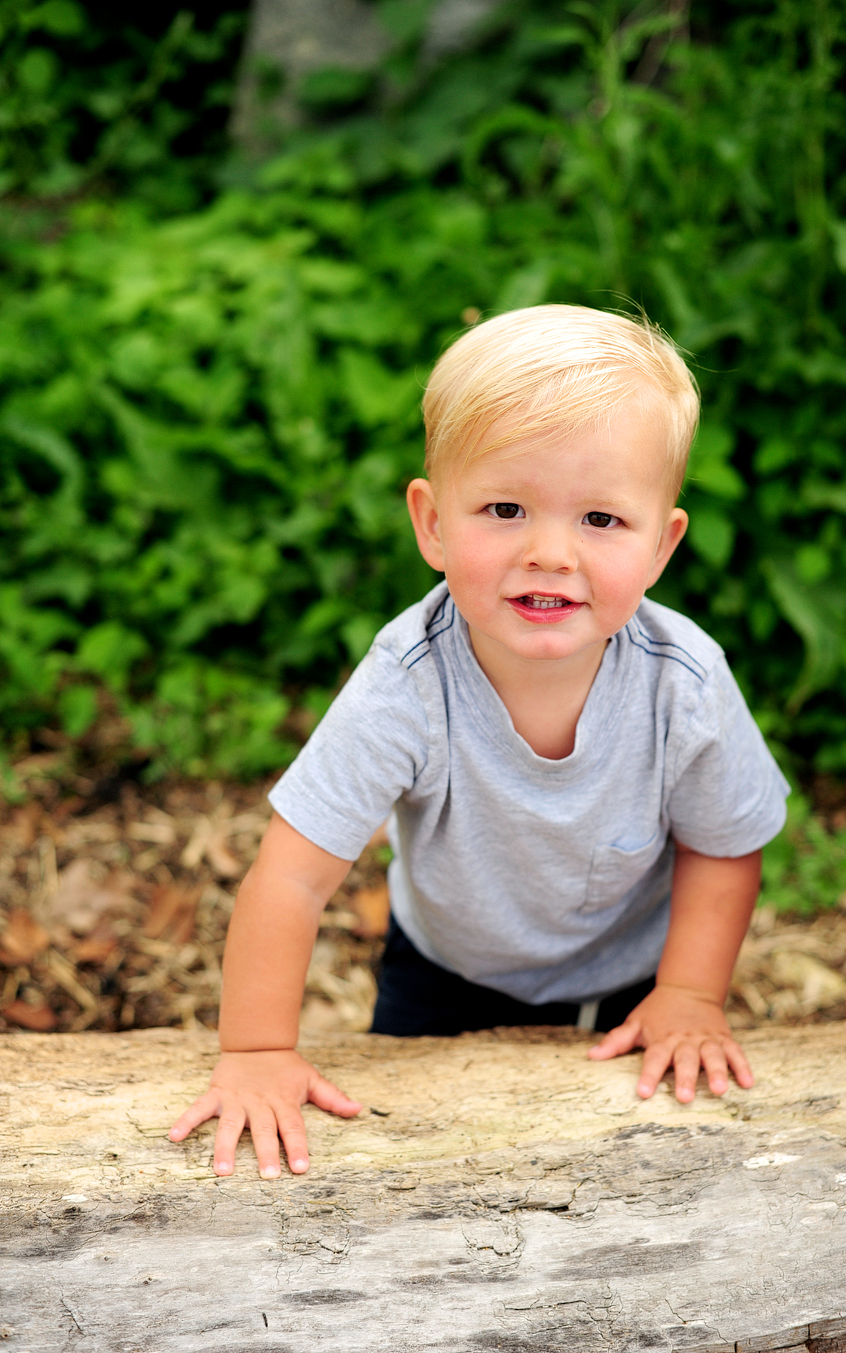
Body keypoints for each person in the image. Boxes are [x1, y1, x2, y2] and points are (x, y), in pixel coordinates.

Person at [169, 305, 788, 1179]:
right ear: (430, 524)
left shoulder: (681, 680)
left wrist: (688, 992)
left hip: (632, 972)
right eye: (505, 507)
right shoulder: (409, 682)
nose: (549, 552)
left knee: (630, 1170)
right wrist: (258, 1051)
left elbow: (725, 846)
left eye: (601, 520)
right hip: (445, 967)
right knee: (408, 1166)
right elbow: (294, 873)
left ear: (662, 544)